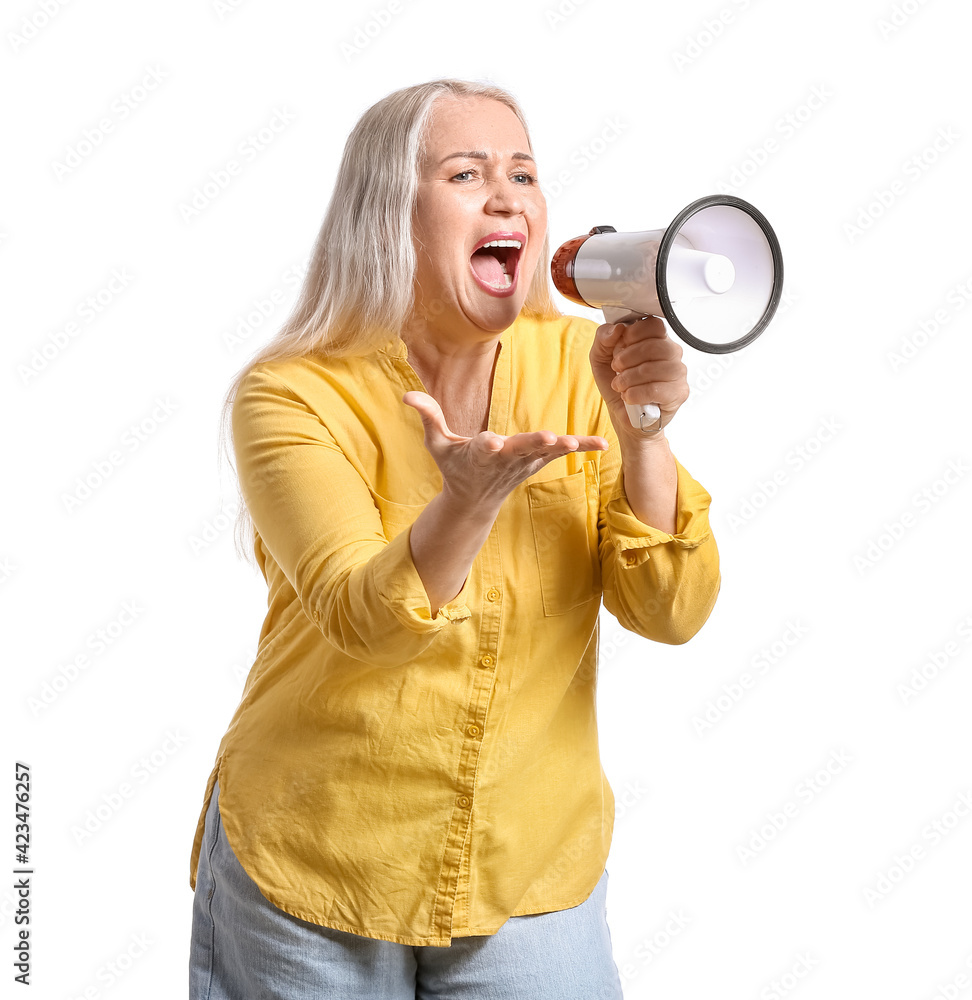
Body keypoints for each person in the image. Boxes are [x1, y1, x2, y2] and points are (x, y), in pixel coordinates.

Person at [188, 78, 721, 999]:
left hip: (530, 860)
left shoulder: (581, 364)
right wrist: (465, 503)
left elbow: (670, 612)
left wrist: (644, 432)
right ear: (389, 211)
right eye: (466, 174)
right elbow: (366, 620)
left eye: (524, 173)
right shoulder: (293, 394)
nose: (507, 197)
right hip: (318, 856)